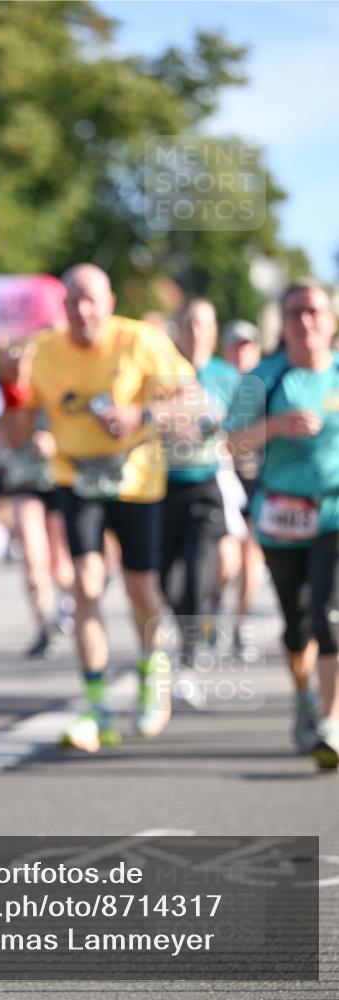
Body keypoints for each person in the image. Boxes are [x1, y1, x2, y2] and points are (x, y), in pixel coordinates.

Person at [0, 264, 197, 751]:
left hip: (136, 480)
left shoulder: (140, 340)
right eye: (73, 302)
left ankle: (153, 671)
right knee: (85, 585)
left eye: (92, 300)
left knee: (141, 589)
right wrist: (14, 389)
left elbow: (193, 401)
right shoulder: (43, 350)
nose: (83, 311)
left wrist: (140, 413)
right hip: (77, 478)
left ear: (110, 302)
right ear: (63, 307)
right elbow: (17, 435)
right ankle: (96, 708)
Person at [227, 280, 339, 765]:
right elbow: (230, 444)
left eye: (315, 312)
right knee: (297, 626)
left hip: (334, 512)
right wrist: (275, 426)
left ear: (331, 321)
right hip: (280, 518)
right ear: (283, 322)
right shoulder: (263, 379)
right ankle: (303, 698)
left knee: (329, 617)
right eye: (295, 313)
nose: (306, 321)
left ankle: (331, 722)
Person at [160, 299, 240, 693]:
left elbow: (244, 430)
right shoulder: (161, 370)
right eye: (189, 323)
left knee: (198, 569)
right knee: (165, 581)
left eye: (203, 324)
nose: (195, 332)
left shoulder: (228, 377)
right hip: (162, 486)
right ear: (178, 328)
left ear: (213, 330)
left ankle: (189, 655)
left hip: (207, 484)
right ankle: (194, 622)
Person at [0, 377, 75, 658]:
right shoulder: (12, 392)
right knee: (32, 556)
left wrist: (57, 443)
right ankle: (44, 626)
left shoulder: (62, 380)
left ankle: (69, 606)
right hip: (24, 480)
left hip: (60, 479)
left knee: (61, 564)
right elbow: (8, 437)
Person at [216, 320, 264, 653]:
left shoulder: (268, 382)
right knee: (226, 561)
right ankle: (214, 601)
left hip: (257, 480)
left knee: (251, 560)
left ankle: (240, 625)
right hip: (222, 480)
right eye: (236, 345)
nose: (241, 352)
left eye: (247, 346)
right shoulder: (216, 382)